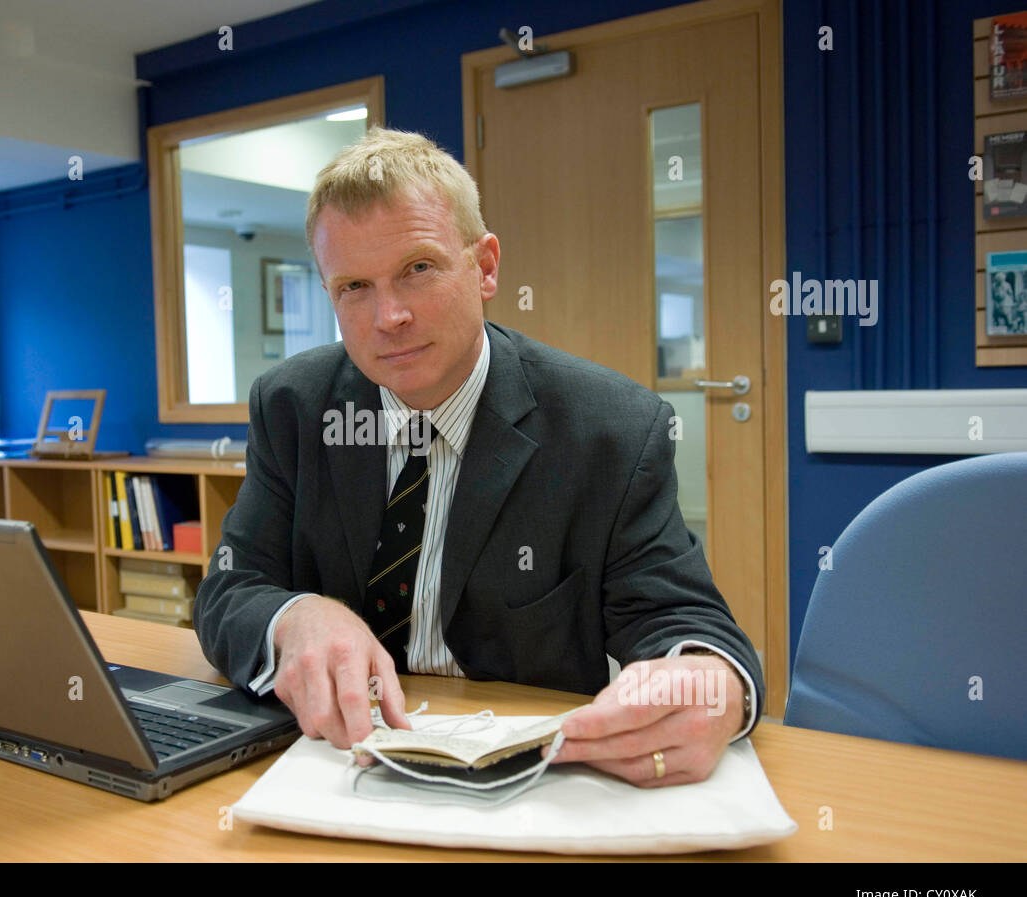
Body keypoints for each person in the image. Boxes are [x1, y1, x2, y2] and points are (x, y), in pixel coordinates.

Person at [194, 127, 764, 787]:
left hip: (530, 784)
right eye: (354, 286)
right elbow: (230, 590)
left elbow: (685, 621)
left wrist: (712, 680)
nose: (390, 316)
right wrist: (294, 616)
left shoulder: (611, 430)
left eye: (418, 268)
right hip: (331, 766)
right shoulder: (293, 406)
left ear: (486, 266)